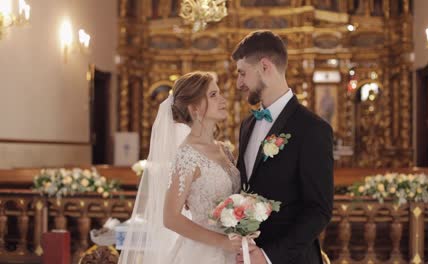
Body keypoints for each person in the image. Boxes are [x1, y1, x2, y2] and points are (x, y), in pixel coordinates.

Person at [118, 72, 242, 264]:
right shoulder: (187, 155)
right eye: (213, 95)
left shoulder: (223, 149)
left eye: (219, 93)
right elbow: (170, 217)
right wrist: (222, 242)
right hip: (205, 253)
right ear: (194, 108)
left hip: (234, 249)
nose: (223, 100)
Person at [233, 30, 334, 264]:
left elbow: (319, 210)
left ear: (265, 66)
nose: (239, 83)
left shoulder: (312, 129)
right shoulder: (248, 124)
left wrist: (268, 256)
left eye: (242, 73)